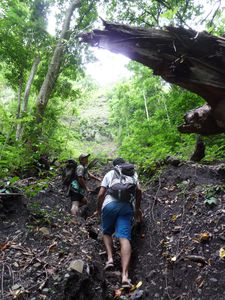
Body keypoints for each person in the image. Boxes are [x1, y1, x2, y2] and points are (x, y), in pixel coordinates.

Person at [97, 157, 142, 288]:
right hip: (127, 207)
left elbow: (101, 194)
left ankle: (110, 259)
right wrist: (137, 209)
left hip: (109, 205)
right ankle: (125, 276)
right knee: (124, 238)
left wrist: (98, 209)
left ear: (115, 166)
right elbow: (139, 191)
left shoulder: (110, 174)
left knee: (107, 232)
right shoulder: (133, 173)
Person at [70, 153, 100, 220]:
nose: (87, 159)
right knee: (75, 204)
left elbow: (89, 175)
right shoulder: (80, 167)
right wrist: (86, 188)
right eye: (85, 158)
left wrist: (98, 179)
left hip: (79, 189)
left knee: (85, 202)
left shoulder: (84, 167)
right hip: (75, 188)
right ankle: (74, 220)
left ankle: (73, 210)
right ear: (81, 160)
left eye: (87, 158)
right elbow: (80, 178)